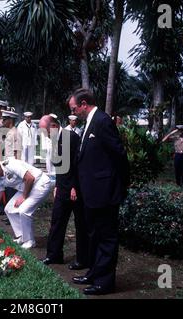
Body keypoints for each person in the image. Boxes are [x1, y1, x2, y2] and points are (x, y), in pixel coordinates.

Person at [69, 88, 130, 296]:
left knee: (106, 238)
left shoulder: (103, 121)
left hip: (105, 193)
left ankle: (105, 283)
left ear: (84, 104)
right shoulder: (89, 123)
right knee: (94, 236)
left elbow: (119, 155)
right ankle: (94, 273)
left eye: (74, 108)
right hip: (91, 193)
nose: (74, 112)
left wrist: (119, 187)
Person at [39, 115, 89, 269]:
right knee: (57, 221)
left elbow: (78, 163)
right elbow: (59, 165)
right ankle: (54, 255)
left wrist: (74, 186)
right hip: (62, 186)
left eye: (45, 130)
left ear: (53, 126)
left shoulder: (71, 137)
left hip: (75, 188)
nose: (44, 134)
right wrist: (58, 186)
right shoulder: (54, 139)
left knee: (81, 224)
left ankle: (82, 259)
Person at [0, 157, 52, 249]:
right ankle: (22, 236)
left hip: (40, 184)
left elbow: (30, 178)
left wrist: (24, 197)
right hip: (26, 188)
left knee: (24, 210)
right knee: (9, 209)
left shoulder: (10, 165)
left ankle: (29, 241)